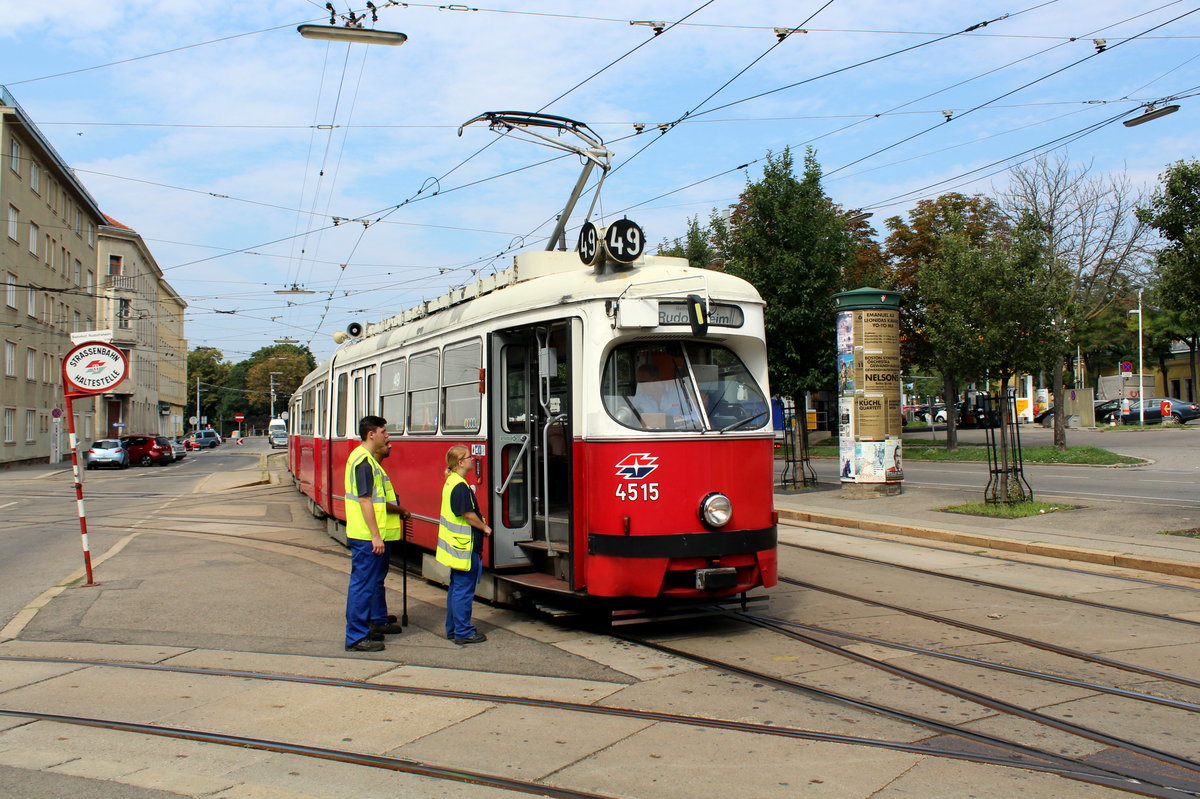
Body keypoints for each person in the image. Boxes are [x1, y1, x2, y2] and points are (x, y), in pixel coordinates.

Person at [344, 415, 409, 652]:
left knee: (367, 583)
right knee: (362, 586)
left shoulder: (365, 459)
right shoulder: (363, 461)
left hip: (367, 534)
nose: (387, 436)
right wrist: (375, 535)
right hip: (365, 536)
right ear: (372, 434)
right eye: (384, 432)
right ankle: (356, 637)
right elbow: (364, 500)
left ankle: (370, 627)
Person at [437, 445, 491, 645]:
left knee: (456, 588)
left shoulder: (451, 482)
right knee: (463, 590)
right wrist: (484, 527)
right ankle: (463, 631)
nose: (473, 459)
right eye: (469, 457)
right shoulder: (460, 486)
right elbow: (467, 515)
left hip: (457, 546)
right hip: (465, 547)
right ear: (460, 462)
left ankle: (454, 629)